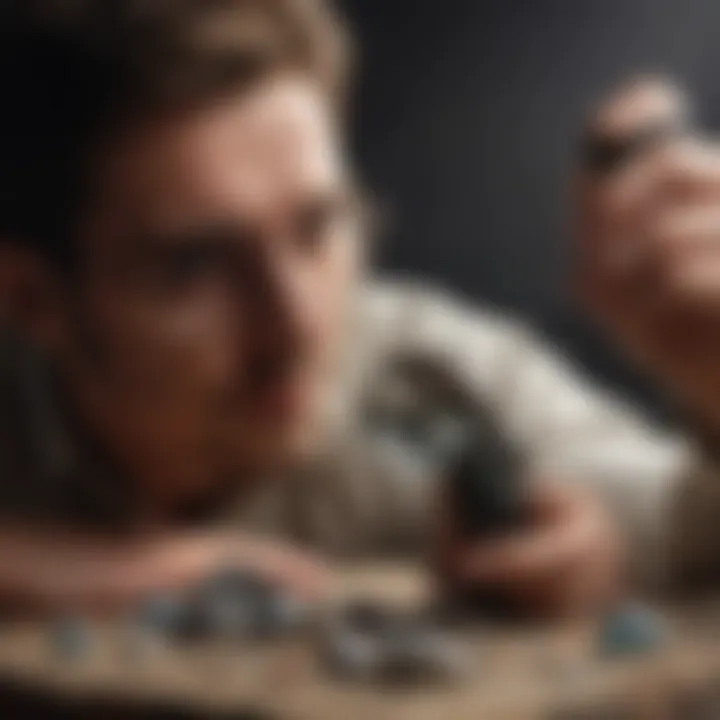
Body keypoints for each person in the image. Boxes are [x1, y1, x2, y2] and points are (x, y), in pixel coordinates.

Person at [0, 0, 712, 620]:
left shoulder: (429, 373)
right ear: (33, 301)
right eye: (195, 267)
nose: (299, 326)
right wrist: (89, 571)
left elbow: (685, 526)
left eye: (317, 228)